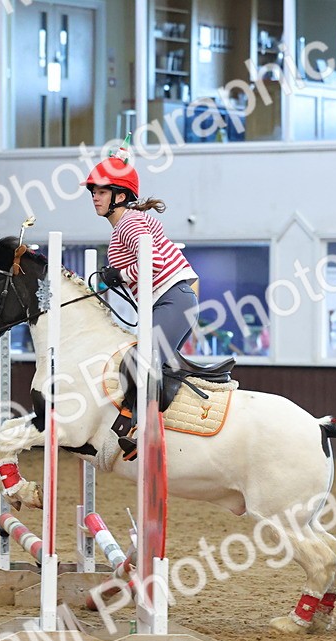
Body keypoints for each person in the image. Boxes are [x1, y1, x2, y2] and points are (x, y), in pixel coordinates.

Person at [82, 146, 199, 461]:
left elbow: (154, 262)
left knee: (138, 361)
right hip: (171, 302)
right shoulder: (128, 223)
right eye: (93, 191)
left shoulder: (129, 224)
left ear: (120, 196)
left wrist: (118, 274)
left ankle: (134, 430)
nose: (94, 196)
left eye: (102, 191)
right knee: (143, 363)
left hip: (172, 300)